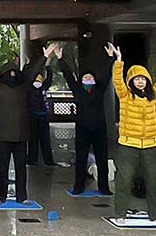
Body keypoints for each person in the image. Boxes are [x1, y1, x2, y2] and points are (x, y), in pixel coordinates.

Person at [0, 43, 55, 204]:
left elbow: (33, 71)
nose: (12, 75)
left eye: (14, 73)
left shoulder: (22, 85)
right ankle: (1, 196)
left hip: (19, 135)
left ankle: (20, 197)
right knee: (3, 168)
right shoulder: (0, 85)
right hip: (4, 135)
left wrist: (45, 56)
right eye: (9, 73)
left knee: (19, 168)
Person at [55, 44, 113, 196]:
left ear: (94, 79)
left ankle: (104, 187)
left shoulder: (99, 89)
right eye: (85, 77)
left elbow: (106, 74)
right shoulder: (78, 90)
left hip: (99, 128)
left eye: (90, 77)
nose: (88, 78)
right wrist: (60, 59)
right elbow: (68, 76)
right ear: (82, 80)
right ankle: (79, 186)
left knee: (102, 159)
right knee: (81, 159)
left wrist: (110, 58)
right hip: (83, 128)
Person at [109, 42, 156, 223]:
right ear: (131, 81)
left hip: (151, 145)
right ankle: (121, 214)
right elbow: (117, 81)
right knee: (124, 180)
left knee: (153, 182)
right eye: (136, 79)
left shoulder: (154, 96)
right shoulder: (126, 95)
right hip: (128, 145)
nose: (140, 81)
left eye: (143, 78)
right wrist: (119, 61)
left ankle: (154, 214)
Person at [27, 65, 56, 166]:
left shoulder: (39, 87)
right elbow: (49, 79)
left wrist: (48, 68)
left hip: (39, 116)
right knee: (40, 139)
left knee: (37, 139)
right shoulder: (32, 88)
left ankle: (35, 159)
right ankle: (43, 160)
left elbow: (49, 79)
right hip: (37, 116)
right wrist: (48, 68)